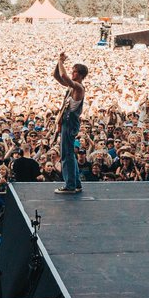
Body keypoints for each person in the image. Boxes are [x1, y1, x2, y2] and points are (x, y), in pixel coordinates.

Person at [51, 52, 87, 194]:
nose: (72, 72)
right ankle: (76, 183)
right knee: (69, 154)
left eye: (75, 71)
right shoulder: (72, 87)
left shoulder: (78, 87)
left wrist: (61, 60)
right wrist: (58, 63)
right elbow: (57, 76)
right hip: (66, 122)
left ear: (80, 74)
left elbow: (64, 76)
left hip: (70, 122)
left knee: (66, 154)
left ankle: (70, 185)